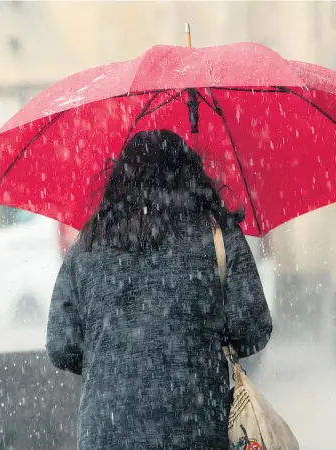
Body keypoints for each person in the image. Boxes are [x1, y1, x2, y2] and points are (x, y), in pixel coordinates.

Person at [46, 129, 272, 450]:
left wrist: (117, 360)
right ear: (192, 176)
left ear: (119, 183)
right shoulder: (218, 237)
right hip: (196, 427)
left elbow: (61, 346)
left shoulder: (88, 247)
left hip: (108, 432)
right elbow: (254, 327)